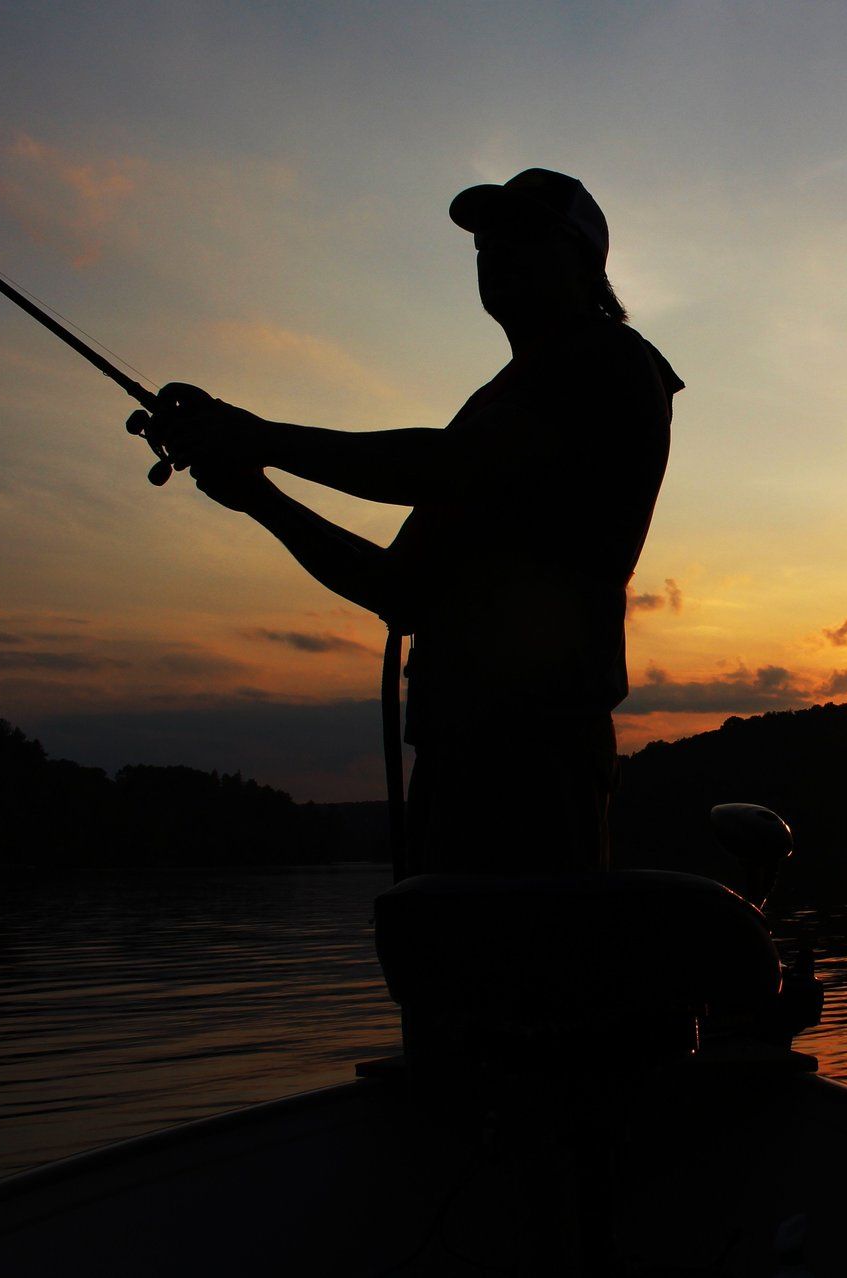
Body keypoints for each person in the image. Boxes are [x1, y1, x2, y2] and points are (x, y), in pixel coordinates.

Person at [134, 169, 681, 874]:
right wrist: (258, 497)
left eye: (520, 235)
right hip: (459, 755)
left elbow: (441, 466)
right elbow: (397, 589)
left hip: (535, 758)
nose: (494, 252)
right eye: (485, 241)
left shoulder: (608, 361)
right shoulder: (504, 401)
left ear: (579, 258)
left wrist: (258, 437)